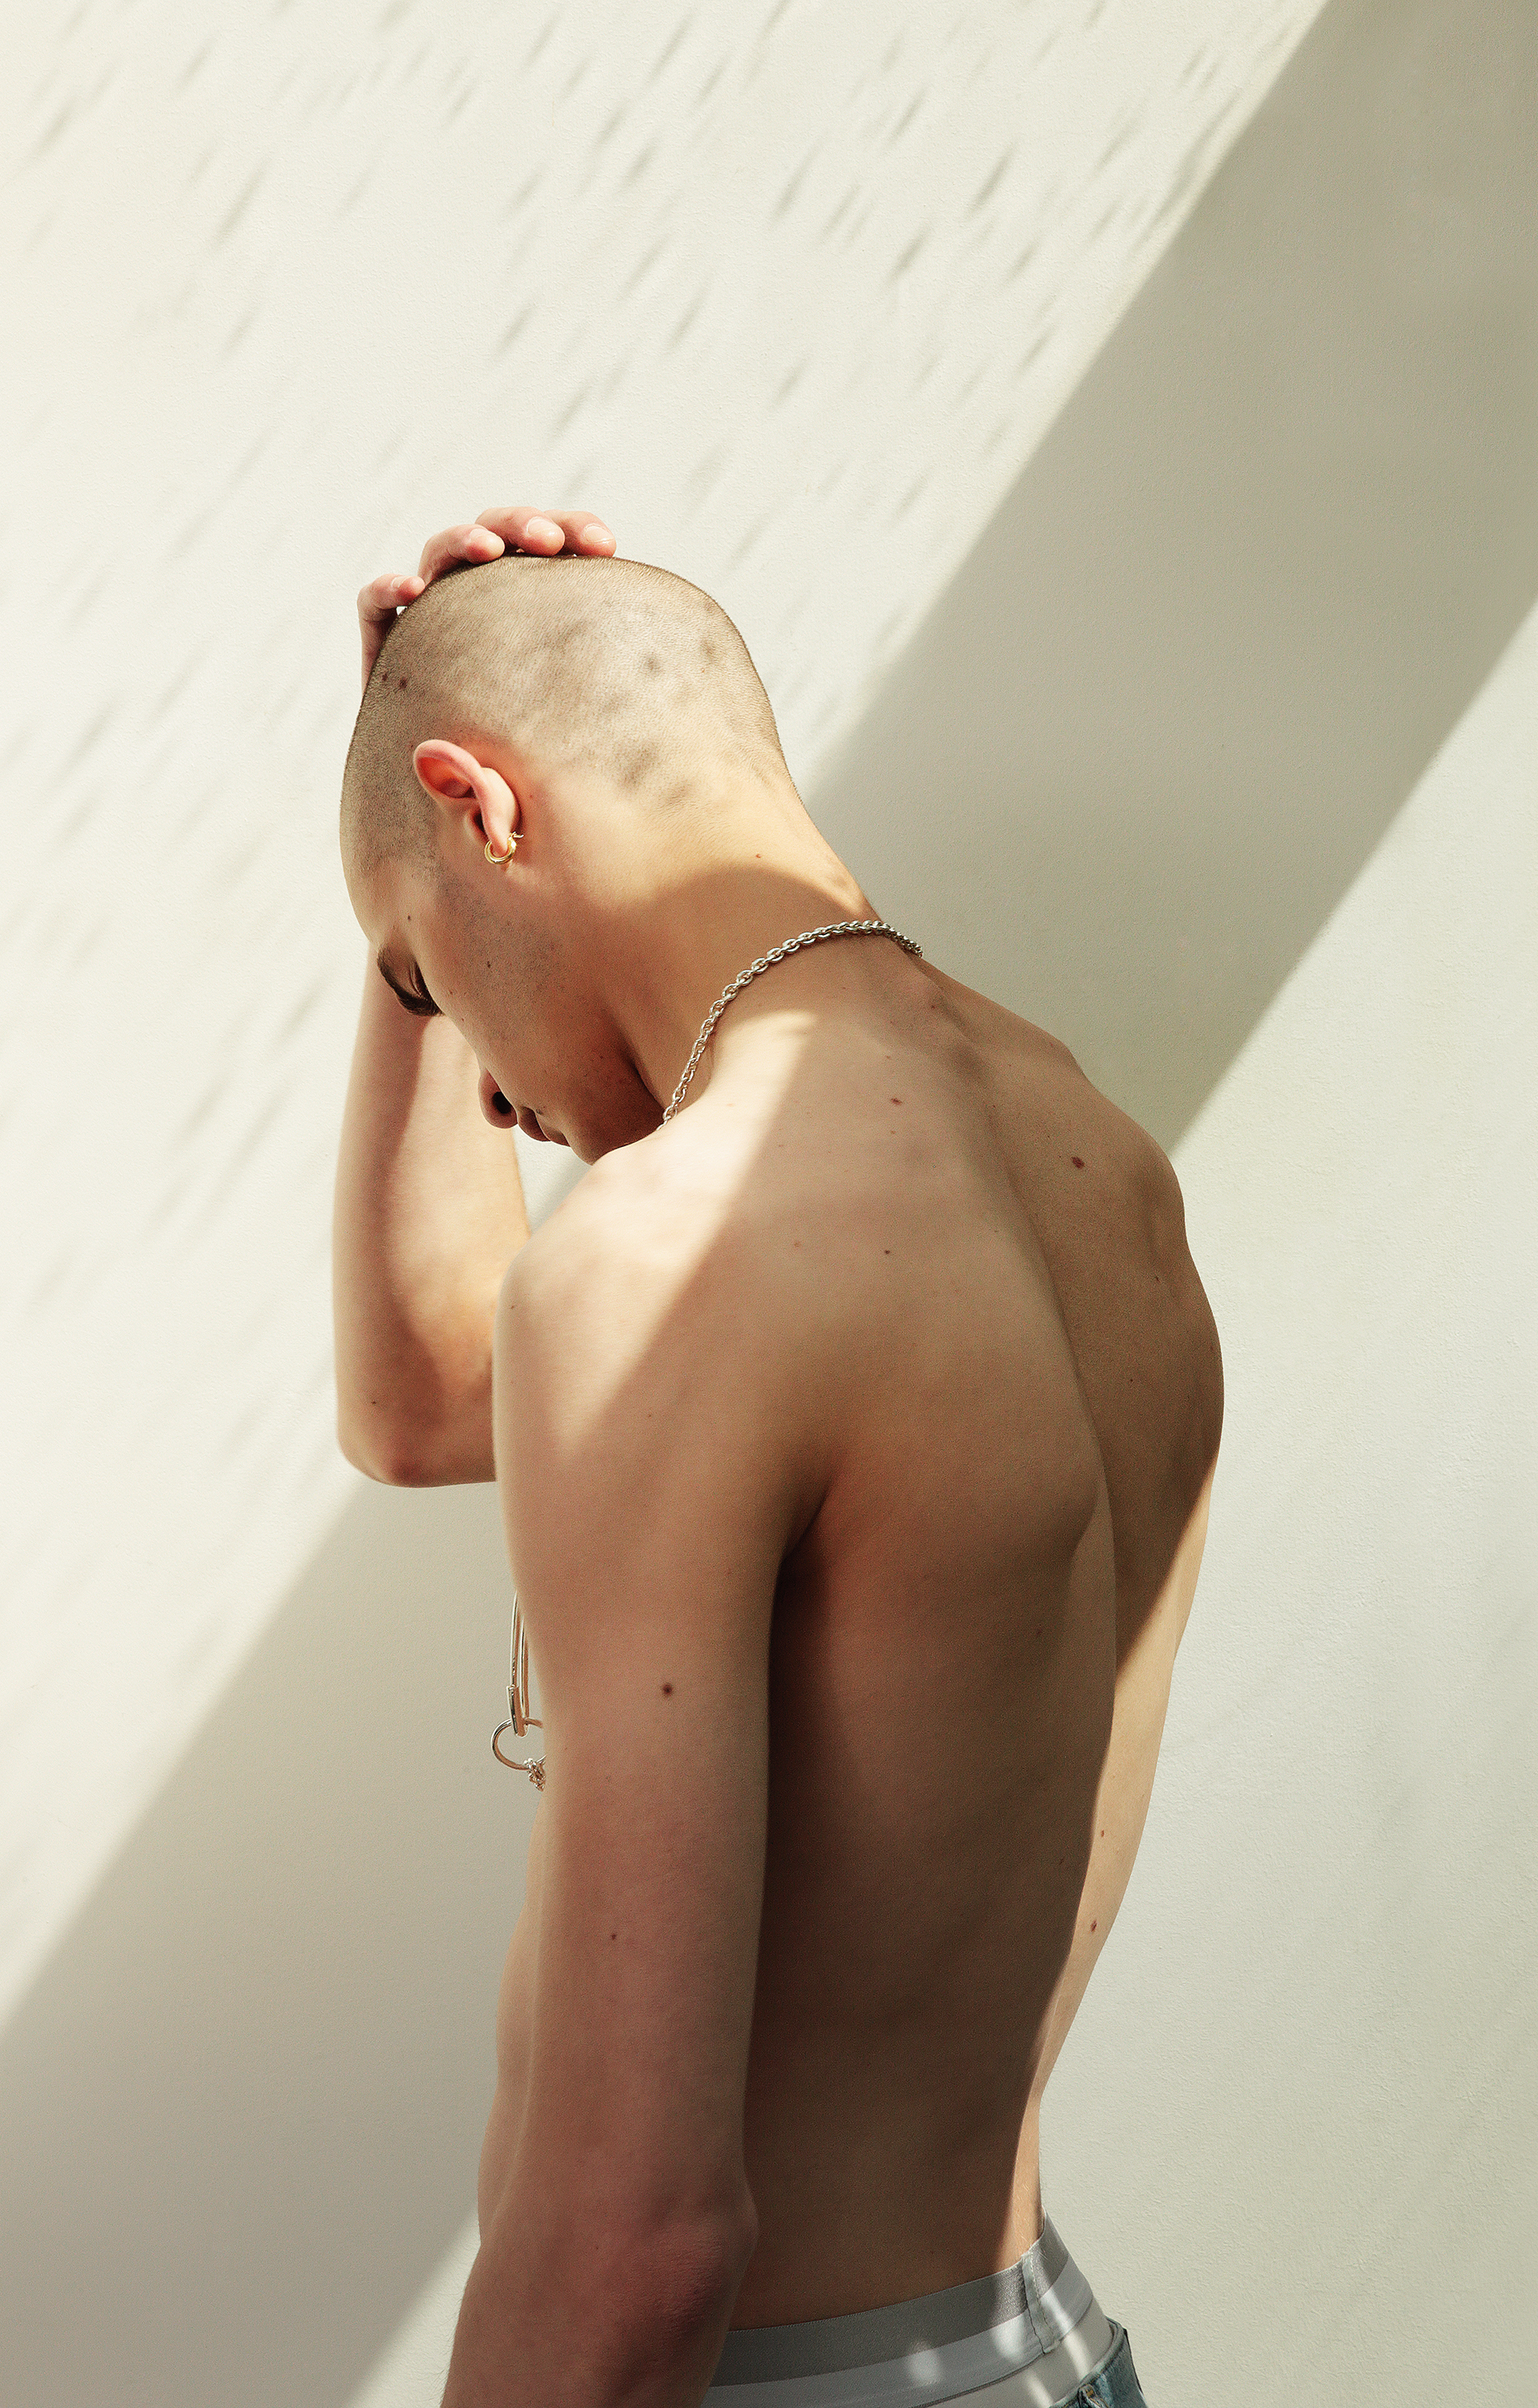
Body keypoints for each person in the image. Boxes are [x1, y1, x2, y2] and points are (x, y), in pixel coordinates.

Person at [333, 505, 1223, 2408]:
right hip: (1037, 2353)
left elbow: (637, 2243)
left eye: (425, 973)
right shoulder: (1098, 1165)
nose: (480, 1084)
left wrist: (413, 877)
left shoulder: (666, 1265)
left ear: (483, 811)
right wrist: (415, 902)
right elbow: (418, 1402)